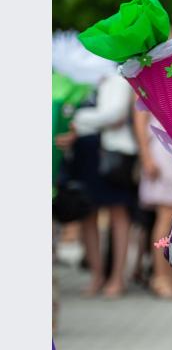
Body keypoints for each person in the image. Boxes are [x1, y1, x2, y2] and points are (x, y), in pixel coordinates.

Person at [69, 74, 139, 298]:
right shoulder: (75, 75)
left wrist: (79, 118)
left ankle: (118, 277)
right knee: (87, 213)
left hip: (112, 153)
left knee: (118, 212)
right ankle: (96, 275)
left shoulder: (115, 74)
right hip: (84, 152)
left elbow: (115, 115)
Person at [133, 108, 172, 298]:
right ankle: (159, 276)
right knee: (165, 215)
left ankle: (170, 275)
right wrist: (146, 156)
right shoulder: (147, 81)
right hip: (161, 150)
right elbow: (140, 121)